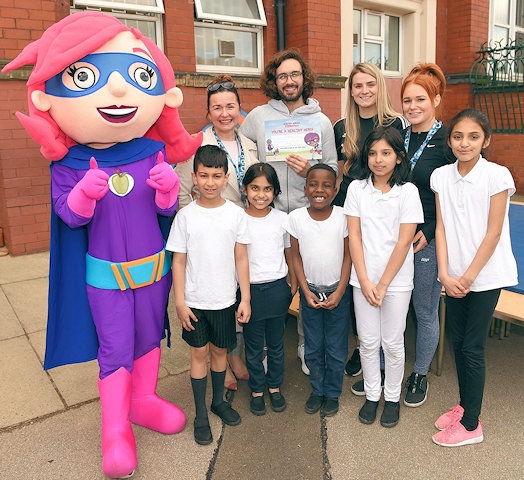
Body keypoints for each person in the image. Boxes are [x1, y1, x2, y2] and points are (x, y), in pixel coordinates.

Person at [2, 12, 202, 478]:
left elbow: (165, 213)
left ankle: (145, 400)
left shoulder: (150, 150)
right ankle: (114, 427)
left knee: (149, 336)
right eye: (88, 76)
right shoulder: (72, 160)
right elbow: (68, 217)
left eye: (135, 75)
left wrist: (170, 189)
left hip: (153, 270)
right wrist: (83, 195)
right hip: (105, 276)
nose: (117, 91)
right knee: (115, 347)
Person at [241, 48, 338, 375]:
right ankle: (265, 347)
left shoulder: (321, 121)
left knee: (304, 278)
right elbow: (244, 159)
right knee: (266, 278)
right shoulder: (257, 117)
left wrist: (312, 169)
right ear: (274, 80)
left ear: (304, 78)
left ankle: (305, 344)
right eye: (282, 75)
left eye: (294, 74)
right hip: (265, 216)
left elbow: (334, 168)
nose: (289, 81)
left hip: (305, 213)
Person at [431, 109, 517, 447]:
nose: (464, 143)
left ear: (486, 141)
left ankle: (470, 426)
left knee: (472, 347)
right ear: (449, 140)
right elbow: (440, 227)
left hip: (486, 275)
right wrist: (443, 273)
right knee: (457, 343)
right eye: (457, 136)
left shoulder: (497, 176)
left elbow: (493, 233)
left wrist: (467, 276)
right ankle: (466, 406)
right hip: (452, 277)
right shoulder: (440, 176)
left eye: (473, 137)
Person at [176, 74, 258, 391]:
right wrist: (199, 227)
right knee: (213, 297)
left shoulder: (249, 144)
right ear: (208, 112)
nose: (224, 113)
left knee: (235, 293)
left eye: (230, 106)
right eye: (217, 107)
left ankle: (230, 353)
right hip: (208, 232)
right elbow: (183, 195)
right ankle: (223, 358)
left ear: (240, 108)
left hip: (241, 228)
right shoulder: (197, 146)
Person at [167, 145, 251, 446]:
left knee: (219, 352)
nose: (210, 182)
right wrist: (179, 301)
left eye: (217, 176)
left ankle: (218, 402)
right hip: (194, 302)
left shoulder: (236, 215)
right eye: (204, 176)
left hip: (225, 300)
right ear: (194, 176)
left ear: (226, 177)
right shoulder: (185, 217)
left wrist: (245, 298)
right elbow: (178, 260)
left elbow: (241, 258)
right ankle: (201, 414)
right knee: (198, 354)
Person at [332, 62, 408, 386]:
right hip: (350, 207)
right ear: (350, 90)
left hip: (384, 211)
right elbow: (340, 173)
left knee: (381, 281)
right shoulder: (341, 126)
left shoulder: (395, 123)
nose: (363, 91)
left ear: (379, 86)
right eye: (357, 85)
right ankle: (364, 346)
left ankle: (375, 356)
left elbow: (403, 169)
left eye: (369, 84)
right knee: (354, 280)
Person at [345, 127, 423, 428]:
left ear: (398, 156)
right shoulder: (356, 189)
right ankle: (372, 395)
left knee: (392, 342)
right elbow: (354, 237)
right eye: (373, 153)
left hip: (396, 282)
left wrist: (382, 284)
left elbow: (405, 242)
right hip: (362, 279)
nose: (378, 160)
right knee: (367, 342)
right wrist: (364, 281)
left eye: (386, 153)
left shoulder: (409, 192)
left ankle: (392, 398)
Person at [401, 63, 454, 407]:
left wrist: (431, 231)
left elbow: (456, 196)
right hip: (392, 235)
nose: (413, 106)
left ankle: (419, 372)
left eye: (420, 98)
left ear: (435, 99)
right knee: (393, 304)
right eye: (407, 99)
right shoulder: (397, 134)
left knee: (423, 308)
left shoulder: (449, 141)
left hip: (427, 240)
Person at [284, 164, 351, 417]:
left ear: (335, 191)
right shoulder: (296, 219)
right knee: (312, 346)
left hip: (337, 292)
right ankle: (317, 390)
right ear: (305, 189)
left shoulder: (343, 217)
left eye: (326, 185)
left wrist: (340, 291)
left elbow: (348, 257)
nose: (319, 190)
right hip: (309, 292)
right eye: (313, 184)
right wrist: (303, 290)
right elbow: (296, 258)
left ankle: (332, 393)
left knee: (335, 347)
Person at [241, 163, 296, 416]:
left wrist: (292, 285)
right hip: (250, 292)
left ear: (275, 192)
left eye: (267, 189)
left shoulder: (282, 220)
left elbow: (290, 253)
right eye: (255, 188)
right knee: (253, 346)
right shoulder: (238, 220)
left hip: (277, 289)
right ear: (245, 189)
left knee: (276, 344)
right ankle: (257, 390)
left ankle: (274, 386)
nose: (260, 195)